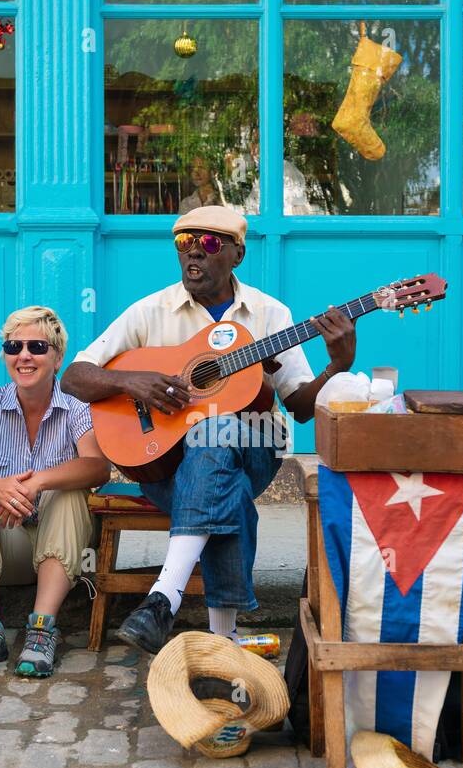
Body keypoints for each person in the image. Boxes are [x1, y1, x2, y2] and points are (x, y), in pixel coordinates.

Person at [61, 206, 356, 653]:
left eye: (210, 243)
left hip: (255, 445)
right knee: (226, 487)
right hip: (164, 462)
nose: (194, 252)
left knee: (216, 429)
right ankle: (224, 639)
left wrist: (338, 365)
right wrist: (129, 380)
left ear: (237, 254)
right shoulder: (150, 311)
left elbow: (298, 406)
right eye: (184, 243)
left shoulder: (269, 313)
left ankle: (164, 597)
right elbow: (73, 377)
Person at [0, 306, 110, 678]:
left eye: (37, 346)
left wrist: (37, 483)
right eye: (14, 346)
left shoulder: (76, 407)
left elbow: (97, 466)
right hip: (6, 547)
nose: (24, 356)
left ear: (58, 356)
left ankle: (41, 630)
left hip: (64, 546)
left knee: (69, 494)